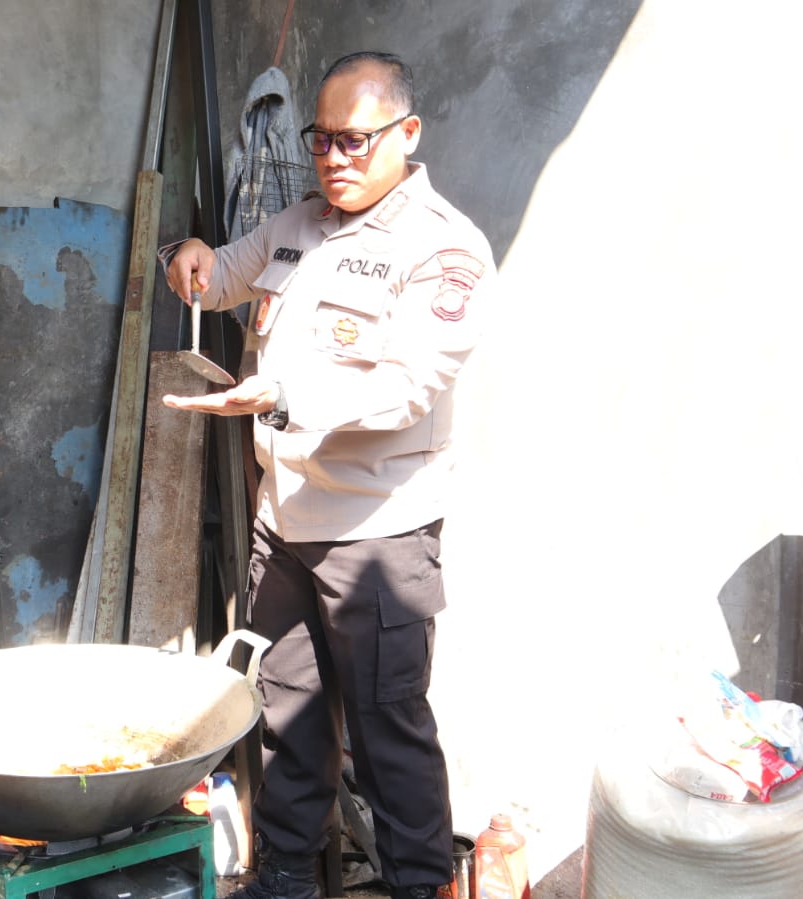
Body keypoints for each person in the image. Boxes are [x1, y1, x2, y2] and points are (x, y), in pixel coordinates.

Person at [161, 52, 494, 899]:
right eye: (322, 141)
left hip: (378, 535)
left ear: (406, 134)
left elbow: (409, 383)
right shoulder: (297, 224)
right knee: (288, 718)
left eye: (355, 140)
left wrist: (284, 391)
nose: (335, 159)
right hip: (286, 525)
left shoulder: (444, 247)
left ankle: (420, 885)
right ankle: (286, 878)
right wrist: (189, 254)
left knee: (389, 735)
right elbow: (226, 271)